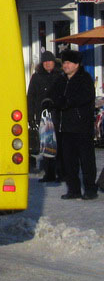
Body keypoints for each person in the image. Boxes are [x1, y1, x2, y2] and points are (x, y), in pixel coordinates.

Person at [45, 49, 99, 200]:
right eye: (64, 63)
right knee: (69, 161)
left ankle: (90, 189)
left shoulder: (84, 79)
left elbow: (84, 97)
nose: (66, 65)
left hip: (82, 126)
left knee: (86, 160)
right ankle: (73, 189)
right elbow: (51, 94)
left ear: (76, 64)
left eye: (69, 62)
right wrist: (49, 102)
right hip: (64, 126)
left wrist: (66, 102)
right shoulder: (61, 80)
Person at [27, 51, 62, 179]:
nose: (48, 64)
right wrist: (30, 116)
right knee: (46, 145)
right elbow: (31, 97)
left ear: (54, 62)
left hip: (57, 114)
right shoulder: (36, 77)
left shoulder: (60, 76)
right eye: (45, 61)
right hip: (42, 116)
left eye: (50, 61)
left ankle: (61, 171)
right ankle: (49, 173)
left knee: (59, 144)